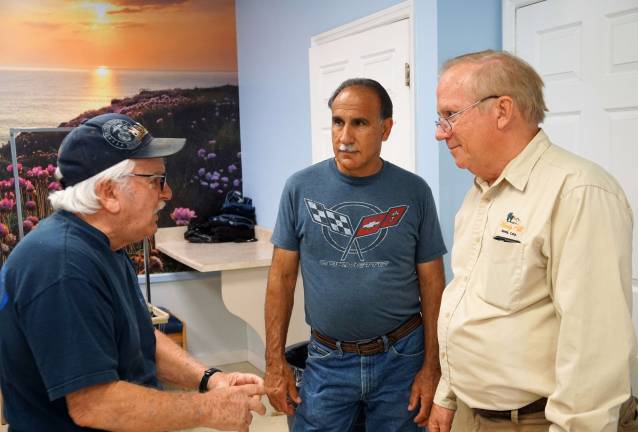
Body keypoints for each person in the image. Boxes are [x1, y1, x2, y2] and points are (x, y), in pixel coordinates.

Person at [0, 113, 265, 431]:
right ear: (109, 193)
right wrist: (209, 409)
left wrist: (210, 379)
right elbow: (96, 405)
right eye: (156, 181)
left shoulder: (104, 245)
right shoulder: (63, 265)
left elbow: (139, 337)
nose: (167, 195)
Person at [428, 50, 638, 432]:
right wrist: (448, 394)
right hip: (472, 413)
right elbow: (465, 301)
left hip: (536, 421)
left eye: (450, 115)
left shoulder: (579, 191)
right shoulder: (480, 191)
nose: (441, 132)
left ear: (502, 110)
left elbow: (594, 347)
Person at [264, 78, 447, 431]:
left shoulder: (414, 192)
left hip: (402, 359)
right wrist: (274, 362)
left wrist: (432, 367)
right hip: (327, 360)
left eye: (360, 123)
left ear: (386, 128)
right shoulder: (300, 188)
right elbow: (281, 278)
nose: (345, 136)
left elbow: (434, 283)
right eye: (337, 122)